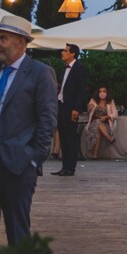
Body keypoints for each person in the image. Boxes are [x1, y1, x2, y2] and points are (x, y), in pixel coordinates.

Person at [0, 17, 59, 244]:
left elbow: (47, 119)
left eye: (3, 38)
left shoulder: (40, 73)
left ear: (21, 42)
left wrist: (33, 159)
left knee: (18, 231)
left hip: (18, 165)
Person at [53, 42, 88, 176]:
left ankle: (70, 167)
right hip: (61, 105)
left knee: (71, 137)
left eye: (65, 51)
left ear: (72, 54)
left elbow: (81, 90)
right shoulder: (64, 68)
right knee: (63, 136)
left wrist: (76, 109)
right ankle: (64, 166)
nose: (62, 53)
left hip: (71, 107)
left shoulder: (79, 68)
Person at [86, 85, 120, 157]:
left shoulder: (110, 101)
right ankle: (109, 138)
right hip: (93, 123)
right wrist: (90, 107)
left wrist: (107, 116)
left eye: (104, 91)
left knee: (98, 130)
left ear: (107, 93)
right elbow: (89, 109)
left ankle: (95, 155)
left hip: (106, 125)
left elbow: (116, 115)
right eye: (100, 91)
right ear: (98, 93)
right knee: (97, 122)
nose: (102, 93)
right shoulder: (93, 100)